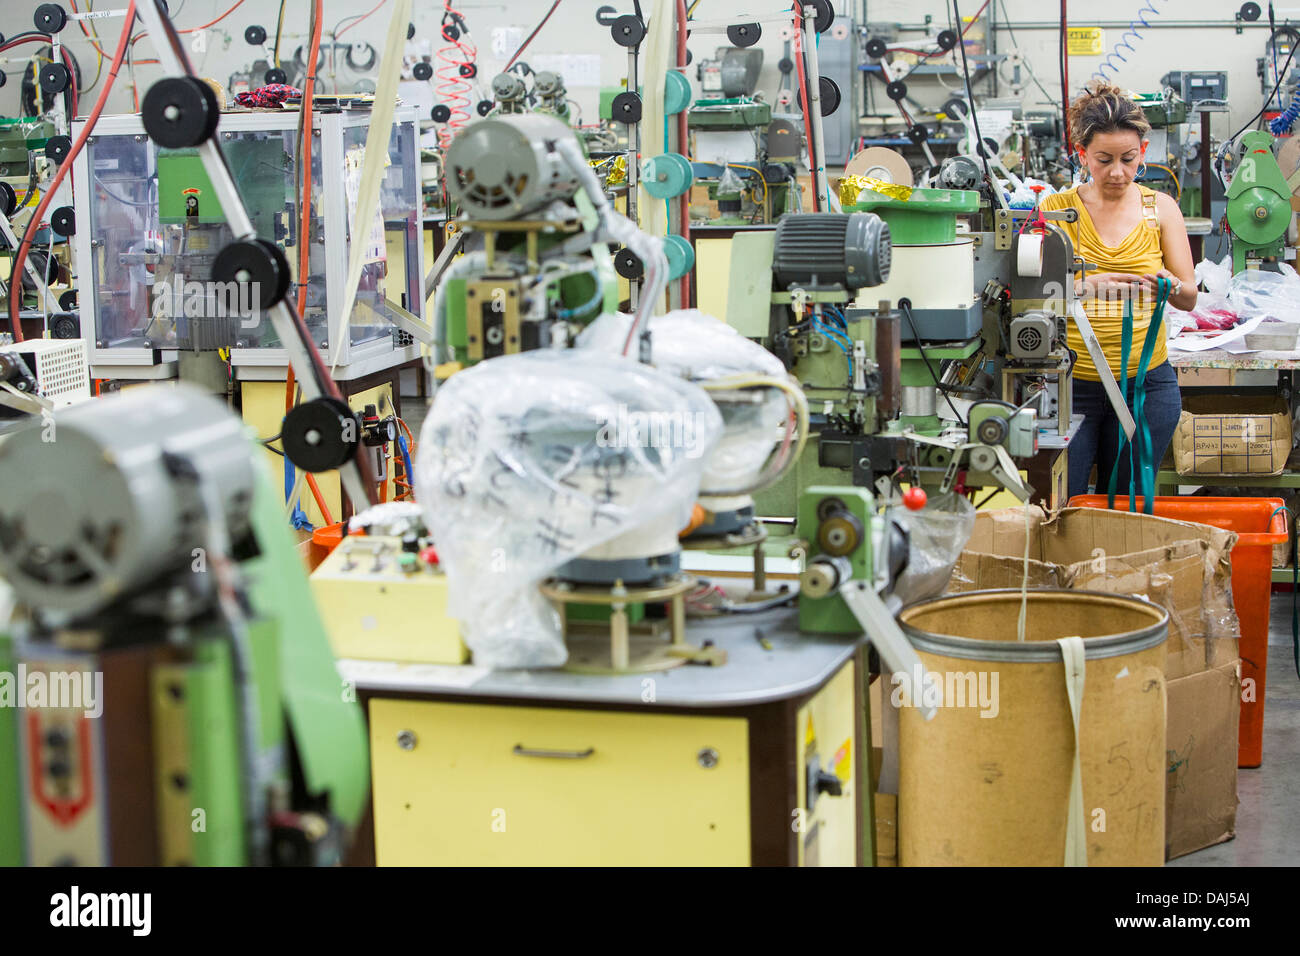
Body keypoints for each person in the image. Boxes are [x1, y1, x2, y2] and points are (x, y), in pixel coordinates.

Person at [1040, 83, 1197, 500]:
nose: (1116, 172)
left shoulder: (1160, 209)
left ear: (1143, 152)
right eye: (1103, 160)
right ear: (1081, 155)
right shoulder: (1057, 210)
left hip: (1146, 386)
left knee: (1126, 509)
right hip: (1070, 385)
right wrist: (1084, 287)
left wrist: (1169, 283)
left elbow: (1189, 297)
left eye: (1128, 160)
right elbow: (1028, 298)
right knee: (1061, 506)